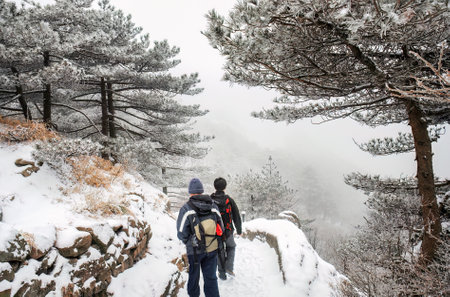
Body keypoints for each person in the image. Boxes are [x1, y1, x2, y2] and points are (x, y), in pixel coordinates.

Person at [177, 178, 224, 297]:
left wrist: (189, 241)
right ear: (202, 191)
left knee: (194, 278)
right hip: (212, 248)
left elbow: (181, 233)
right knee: (211, 279)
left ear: (190, 192)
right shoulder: (213, 206)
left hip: (194, 252)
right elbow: (221, 228)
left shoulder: (186, 209)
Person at [211, 177, 242, 280]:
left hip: (215, 231)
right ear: (225, 187)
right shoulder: (229, 200)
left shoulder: (210, 200)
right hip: (228, 230)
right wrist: (239, 230)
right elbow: (236, 215)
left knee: (219, 251)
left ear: (215, 187)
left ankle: (222, 273)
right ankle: (229, 267)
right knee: (231, 247)